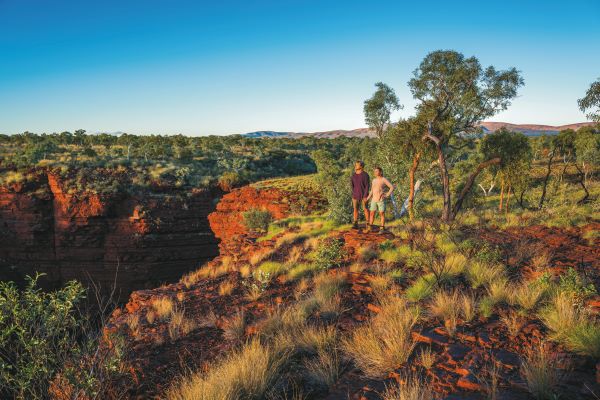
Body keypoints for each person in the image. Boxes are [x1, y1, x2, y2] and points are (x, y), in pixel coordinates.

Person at [364, 167, 394, 234]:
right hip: (373, 200)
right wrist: (368, 198)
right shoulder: (374, 180)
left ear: (380, 172)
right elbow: (372, 190)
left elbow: (391, 187)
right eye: (374, 171)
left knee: (381, 214)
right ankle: (369, 228)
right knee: (372, 213)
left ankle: (382, 228)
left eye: (376, 171)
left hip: (381, 200)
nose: (375, 173)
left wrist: (387, 194)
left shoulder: (383, 179)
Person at [350, 160, 370, 229]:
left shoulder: (365, 175)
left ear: (361, 166)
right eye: (355, 165)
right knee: (355, 209)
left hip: (364, 196)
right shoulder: (353, 175)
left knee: (366, 209)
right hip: (355, 196)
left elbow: (367, 186)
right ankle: (355, 223)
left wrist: (365, 196)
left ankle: (368, 223)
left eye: (357, 165)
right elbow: (352, 185)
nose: (355, 166)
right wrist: (353, 194)